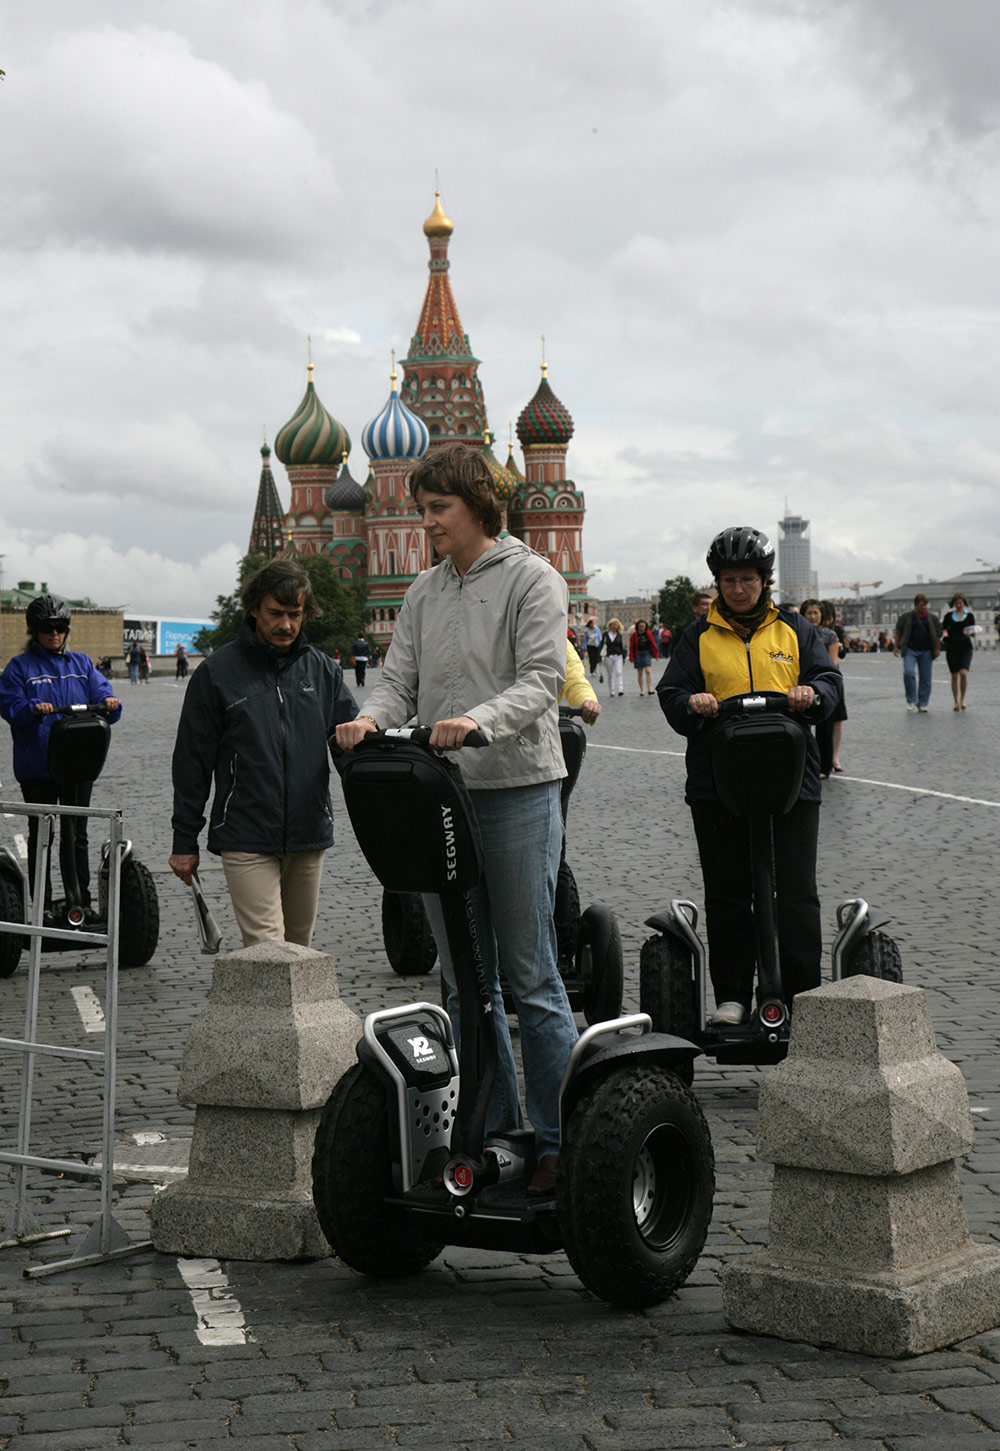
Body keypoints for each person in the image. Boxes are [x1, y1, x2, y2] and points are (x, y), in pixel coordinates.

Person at [336, 441, 577, 1197]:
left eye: (437, 508)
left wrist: (475, 720)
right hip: (441, 793)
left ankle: (562, 1137)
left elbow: (543, 679)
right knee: (466, 979)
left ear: (476, 503)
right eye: (422, 508)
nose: (426, 521)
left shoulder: (532, 579)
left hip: (515, 788)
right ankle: (498, 1128)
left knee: (529, 974)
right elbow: (396, 678)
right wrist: (369, 721)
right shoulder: (424, 591)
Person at [657, 527, 842, 1027]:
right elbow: (671, 696)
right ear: (718, 583)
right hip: (719, 783)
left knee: (797, 893)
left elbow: (830, 682)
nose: (738, 589)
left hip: (792, 781)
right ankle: (734, 995)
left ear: (765, 581)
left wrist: (813, 694)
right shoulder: (697, 636)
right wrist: (691, 703)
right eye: (729, 580)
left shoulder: (794, 631)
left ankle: (803, 996)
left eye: (748, 579)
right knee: (728, 891)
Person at [169, 558, 359, 948]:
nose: (286, 625)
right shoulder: (217, 673)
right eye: (275, 613)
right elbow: (193, 760)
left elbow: (351, 749)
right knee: (269, 953)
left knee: (299, 950)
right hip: (246, 834)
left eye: (295, 615)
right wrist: (184, 840)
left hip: (308, 834)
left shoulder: (322, 672)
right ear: (254, 608)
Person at [0, 595, 122, 917]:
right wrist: (31, 709)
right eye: (46, 628)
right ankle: (43, 906)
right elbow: (9, 705)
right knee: (43, 836)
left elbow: (101, 692)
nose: (54, 634)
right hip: (37, 765)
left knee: (77, 833)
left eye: (61, 627)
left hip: (77, 763)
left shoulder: (81, 664)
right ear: (34, 631)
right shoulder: (19, 668)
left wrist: (109, 702)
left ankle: (80, 902)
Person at [802, 599, 844, 778]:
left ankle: (823, 767)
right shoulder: (798, 632)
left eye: (816, 613)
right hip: (802, 683)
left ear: (822, 615)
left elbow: (832, 663)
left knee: (825, 726)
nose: (813, 616)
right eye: (809, 613)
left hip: (823, 682)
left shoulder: (829, 635)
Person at [893, 593, 941, 712]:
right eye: (921, 605)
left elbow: (937, 635)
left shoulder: (932, 618)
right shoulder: (906, 617)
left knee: (925, 678)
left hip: (926, 651)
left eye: (925, 605)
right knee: (909, 673)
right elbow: (898, 632)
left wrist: (937, 649)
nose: (923, 607)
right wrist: (895, 647)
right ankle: (911, 700)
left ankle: (923, 703)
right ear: (915, 605)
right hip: (910, 650)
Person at [940, 592, 976, 711]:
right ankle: (956, 701)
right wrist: (945, 634)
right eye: (957, 603)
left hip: (965, 647)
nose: (959, 605)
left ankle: (963, 699)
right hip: (952, 647)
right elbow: (944, 629)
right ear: (954, 604)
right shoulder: (949, 616)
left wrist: (972, 632)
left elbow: (973, 630)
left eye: (961, 603)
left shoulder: (969, 616)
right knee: (954, 675)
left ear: (964, 603)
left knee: (964, 673)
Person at [629, 618, 659, 696]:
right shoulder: (634, 635)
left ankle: (650, 688)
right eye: (640, 626)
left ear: (645, 626)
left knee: (648, 671)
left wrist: (656, 655)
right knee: (640, 672)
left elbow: (653, 644)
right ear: (637, 626)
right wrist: (631, 656)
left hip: (647, 653)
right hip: (638, 653)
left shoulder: (648, 633)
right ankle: (642, 689)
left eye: (643, 626)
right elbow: (632, 646)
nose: (642, 627)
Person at [602, 617, 626, 696]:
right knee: (610, 674)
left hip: (618, 655)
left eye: (616, 625)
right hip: (608, 656)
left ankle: (620, 689)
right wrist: (599, 656)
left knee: (619, 672)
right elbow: (601, 644)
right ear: (610, 625)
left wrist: (623, 657)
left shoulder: (619, 635)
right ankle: (611, 691)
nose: (615, 626)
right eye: (613, 625)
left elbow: (621, 646)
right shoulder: (606, 634)